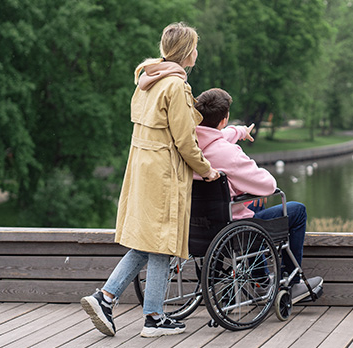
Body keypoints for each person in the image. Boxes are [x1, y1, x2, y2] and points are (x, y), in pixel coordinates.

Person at [80, 22, 220, 338]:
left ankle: (114, 300)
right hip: (165, 174)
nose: (197, 52)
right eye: (195, 47)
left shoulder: (146, 83)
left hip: (143, 171)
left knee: (152, 242)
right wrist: (207, 169)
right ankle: (146, 315)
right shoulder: (176, 87)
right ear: (187, 52)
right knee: (161, 242)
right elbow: (185, 141)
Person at [193, 88, 322, 304]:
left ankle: (261, 280)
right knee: (297, 210)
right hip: (234, 232)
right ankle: (292, 282)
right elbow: (268, 185)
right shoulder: (229, 154)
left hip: (199, 230)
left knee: (255, 207)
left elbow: (216, 135)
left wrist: (239, 131)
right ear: (223, 119)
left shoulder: (188, 146)